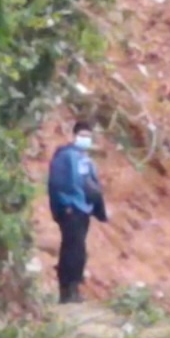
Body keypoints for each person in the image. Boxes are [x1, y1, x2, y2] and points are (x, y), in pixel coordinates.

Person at [45, 122, 109, 305]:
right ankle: (67, 290)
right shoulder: (65, 156)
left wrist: (99, 209)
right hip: (70, 209)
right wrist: (64, 206)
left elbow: (93, 185)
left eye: (88, 136)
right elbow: (57, 183)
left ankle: (74, 288)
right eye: (82, 135)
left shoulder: (85, 159)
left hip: (84, 210)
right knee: (72, 249)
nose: (85, 139)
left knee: (78, 249)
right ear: (73, 135)